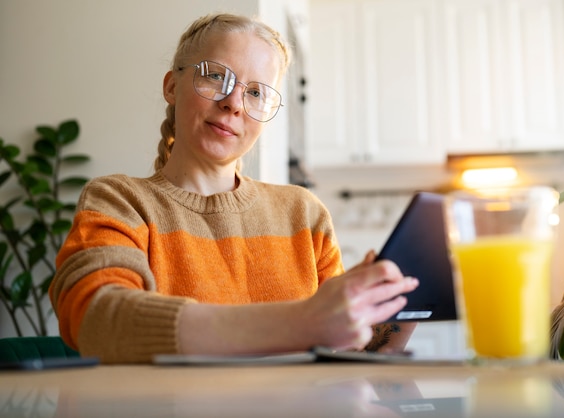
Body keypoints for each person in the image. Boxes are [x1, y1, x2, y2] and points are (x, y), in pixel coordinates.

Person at [49, 13, 419, 363]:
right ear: (172, 86)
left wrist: (405, 298)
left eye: (257, 93)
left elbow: (353, 349)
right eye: (215, 76)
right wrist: (300, 321)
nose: (234, 104)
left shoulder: (303, 213)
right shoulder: (119, 200)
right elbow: (96, 316)